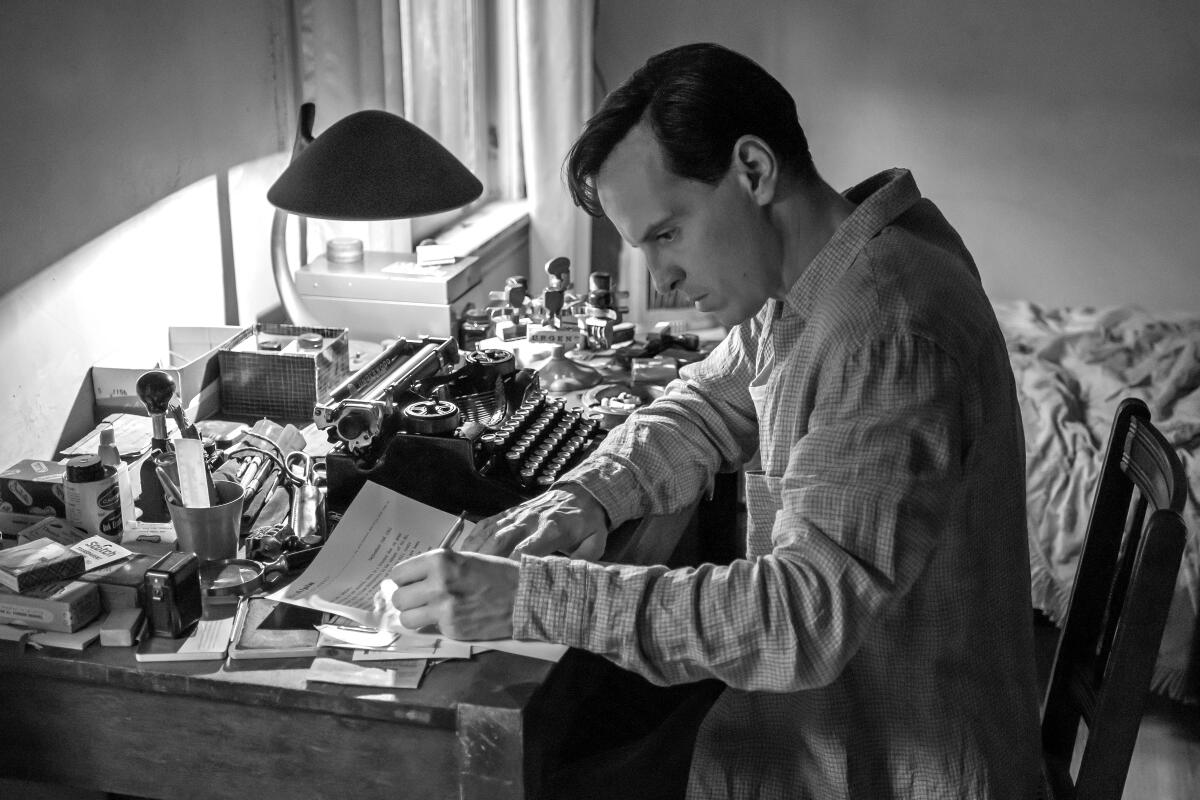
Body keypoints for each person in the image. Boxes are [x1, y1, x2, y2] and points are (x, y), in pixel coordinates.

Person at [390, 42, 1041, 799]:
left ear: (754, 170)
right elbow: (707, 400)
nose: (659, 276)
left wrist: (530, 598)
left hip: (880, 762)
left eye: (667, 234)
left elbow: (802, 618)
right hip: (825, 722)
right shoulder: (825, 274)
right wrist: (586, 496)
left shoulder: (885, 331)